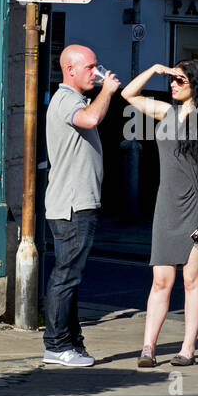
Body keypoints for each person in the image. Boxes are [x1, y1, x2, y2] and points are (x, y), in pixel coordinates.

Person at [122, 60, 198, 367]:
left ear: (196, 83)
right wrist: (155, 70)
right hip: (166, 204)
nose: (173, 85)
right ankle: (148, 349)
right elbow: (128, 94)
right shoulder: (165, 112)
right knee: (160, 281)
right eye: (173, 80)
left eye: (180, 80)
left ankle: (187, 349)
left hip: (197, 205)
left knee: (192, 280)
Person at [43, 45, 120, 368]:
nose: (96, 72)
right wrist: (109, 92)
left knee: (70, 276)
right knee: (66, 276)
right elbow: (89, 119)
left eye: (96, 65)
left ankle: (71, 342)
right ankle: (57, 344)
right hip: (73, 204)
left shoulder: (73, 99)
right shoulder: (66, 101)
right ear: (70, 70)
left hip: (77, 202)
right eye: (90, 67)